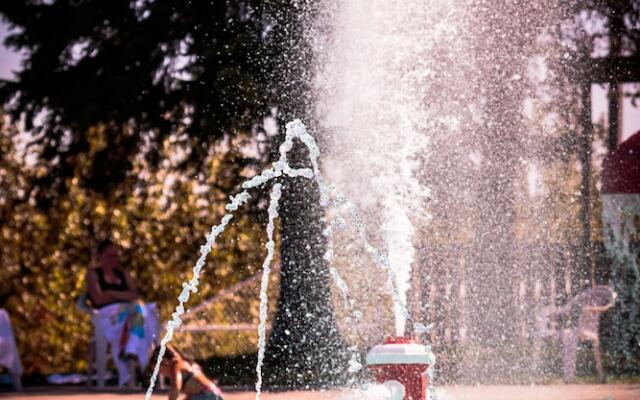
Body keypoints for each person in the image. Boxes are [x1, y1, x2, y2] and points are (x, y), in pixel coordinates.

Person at [86, 239, 158, 386]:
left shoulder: (123, 275)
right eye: (109, 256)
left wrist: (110, 292)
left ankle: (131, 353)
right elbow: (98, 299)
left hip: (130, 314)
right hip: (107, 316)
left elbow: (134, 296)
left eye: (115, 256)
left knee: (143, 311)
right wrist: (123, 295)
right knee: (143, 313)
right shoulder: (93, 274)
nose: (113, 259)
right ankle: (142, 365)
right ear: (100, 256)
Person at [149, 345, 224, 400]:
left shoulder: (177, 366)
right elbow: (193, 393)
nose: (160, 374)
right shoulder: (185, 365)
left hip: (208, 395)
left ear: (164, 362)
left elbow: (176, 386)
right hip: (213, 394)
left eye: (158, 370)